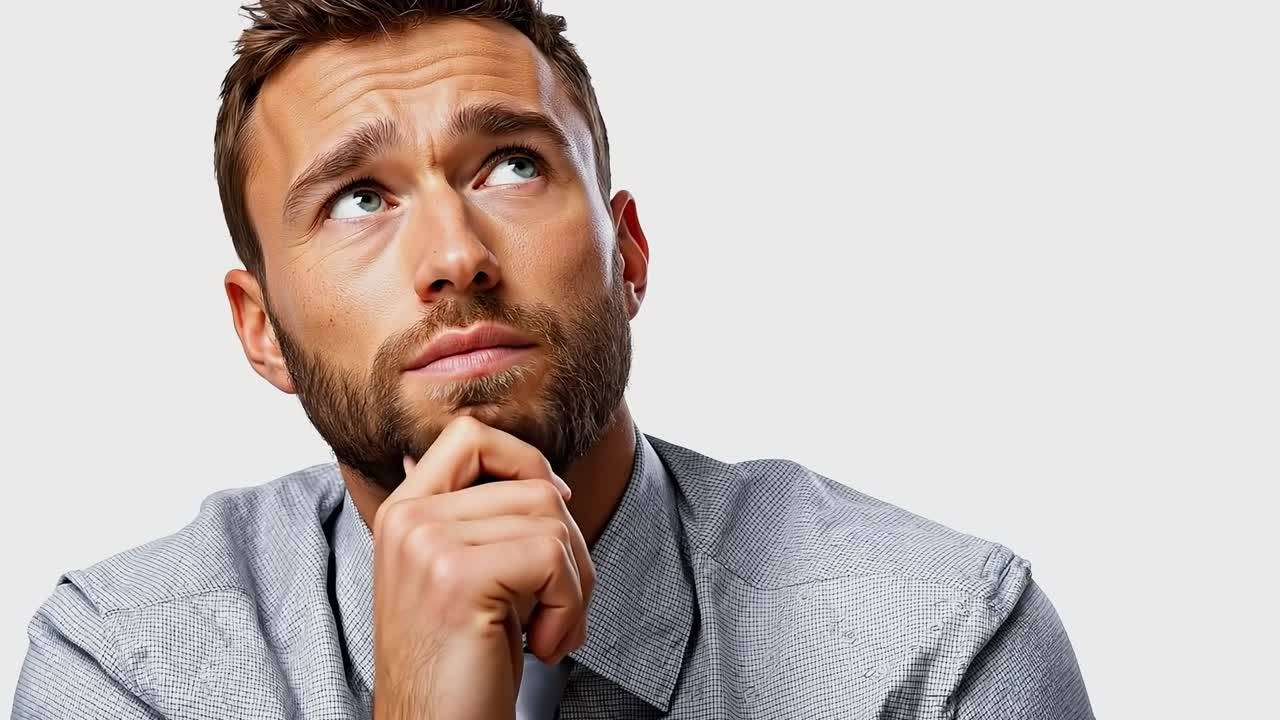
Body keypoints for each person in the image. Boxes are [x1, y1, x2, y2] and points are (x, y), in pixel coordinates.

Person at [11, 2, 1094, 718]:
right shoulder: (129, 665)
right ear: (260, 330)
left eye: (511, 166)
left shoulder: (931, 646)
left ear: (627, 251)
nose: (453, 258)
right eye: (358, 198)